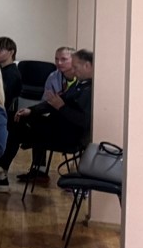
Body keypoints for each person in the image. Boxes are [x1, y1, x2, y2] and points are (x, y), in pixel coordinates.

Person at [14, 49, 94, 182]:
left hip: (71, 137)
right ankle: (36, 165)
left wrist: (61, 107)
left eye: (75, 67)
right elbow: (54, 101)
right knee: (25, 119)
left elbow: (84, 121)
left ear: (87, 66)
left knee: (21, 127)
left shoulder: (90, 90)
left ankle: (23, 148)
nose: (73, 71)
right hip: (60, 128)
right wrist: (31, 110)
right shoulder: (79, 84)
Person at [0, 36, 24, 108]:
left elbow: (3, 98)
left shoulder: (11, 74)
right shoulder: (0, 69)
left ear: (11, 52)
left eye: (0, 50)